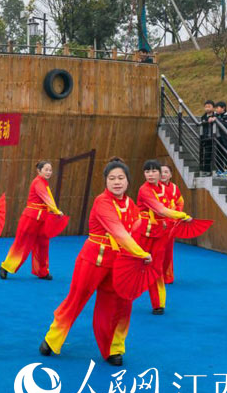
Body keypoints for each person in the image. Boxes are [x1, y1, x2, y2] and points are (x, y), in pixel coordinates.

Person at [39, 157, 151, 367]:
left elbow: (135, 230)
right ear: (105, 181)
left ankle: (114, 349)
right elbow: (119, 233)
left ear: (128, 181)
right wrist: (140, 252)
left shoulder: (131, 204)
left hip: (118, 264)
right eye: (112, 178)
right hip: (93, 260)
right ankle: (52, 338)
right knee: (76, 300)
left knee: (118, 306)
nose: (117, 182)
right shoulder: (102, 202)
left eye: (121, 178)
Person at [134, 160, 190, 315]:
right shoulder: (144, 190)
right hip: (142, 234)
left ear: (160, 173)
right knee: (132, 265)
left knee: (155, 268)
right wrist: (182, 215)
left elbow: (172, 206)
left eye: (154, 171)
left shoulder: (167, 190)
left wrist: (170, 221)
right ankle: (120, 294)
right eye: (147, 172)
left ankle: (158, 304)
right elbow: (161, 209)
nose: (150, 175)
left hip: (160, 234)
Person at [0, 160, 63, 280]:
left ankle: (42, 271)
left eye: (50, 170)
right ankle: (5, 267)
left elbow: (49, 200)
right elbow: (45, 198)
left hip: (42, 219)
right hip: (31, 218)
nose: (49, 172)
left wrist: (54, 212)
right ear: (39, 171)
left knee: (43, 245)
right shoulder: (38, 182)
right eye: (46, 170)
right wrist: (56, 211)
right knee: (22, 245)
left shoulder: (44, 183)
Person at [159, 164, 184, 285]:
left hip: (170, 225)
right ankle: (153, 275)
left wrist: (176, 213)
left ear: (170, 175)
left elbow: (180, 202)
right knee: (157, 251)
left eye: (166, 172)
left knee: (168, 251)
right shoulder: (154, 188)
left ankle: (167, 275)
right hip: (158, 224)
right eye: (161, 172)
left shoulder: (174, 188)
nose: (163, 174)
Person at [214, 101, 227, 176]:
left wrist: (216, 119)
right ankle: (220, 170)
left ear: (223, 108)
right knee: (219, 154)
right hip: (219, 138)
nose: (216, 109)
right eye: (215, 108)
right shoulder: (216, 115)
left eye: (217, 108)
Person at [200, 100, 216, 176]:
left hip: (215, 138)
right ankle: (206, 170)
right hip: (207, 138)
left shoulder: (216, 116)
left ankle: (216, 170)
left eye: (209, 106)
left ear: (213, 107)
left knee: (216, 155)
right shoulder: (203, 117)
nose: (207, 108)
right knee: (207, 155)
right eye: (206, 107)